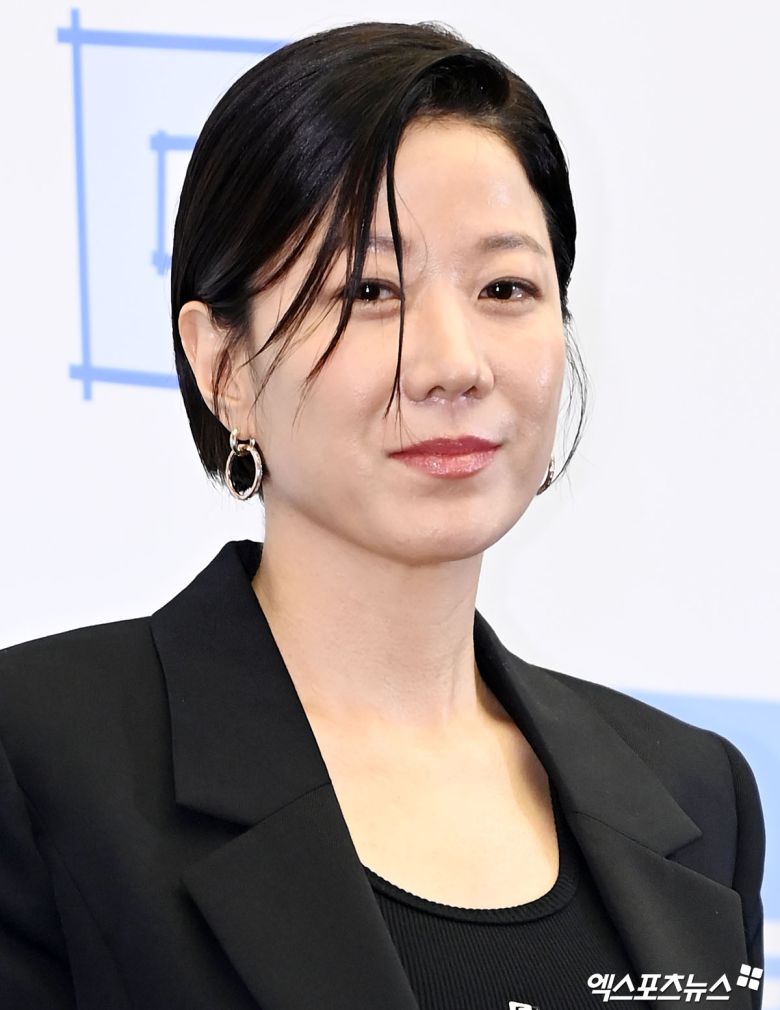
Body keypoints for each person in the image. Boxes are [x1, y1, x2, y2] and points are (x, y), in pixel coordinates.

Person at [0, 20, 765, 1010]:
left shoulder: (696, 799)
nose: (454, 363)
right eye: (368, 288)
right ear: (224, 366)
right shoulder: (41, 761)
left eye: (506, 287)